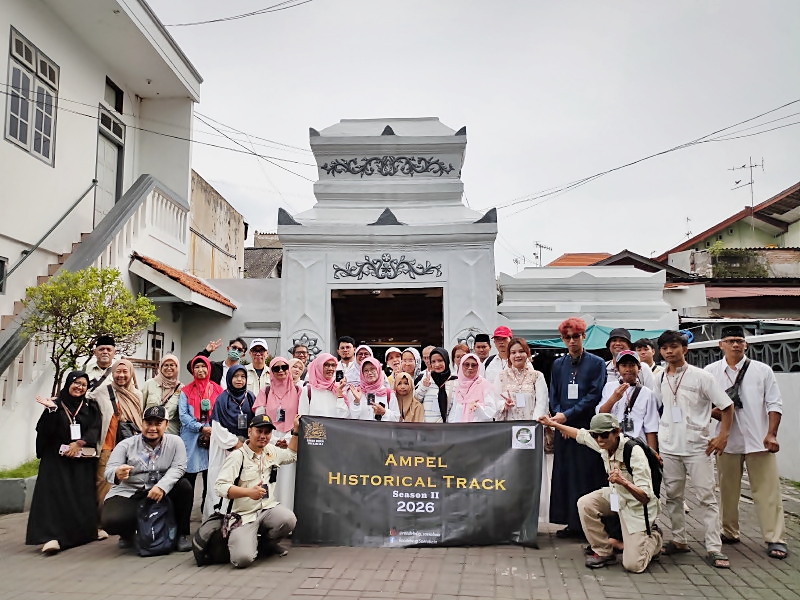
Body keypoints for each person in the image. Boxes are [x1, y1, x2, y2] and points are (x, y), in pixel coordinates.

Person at [540, 413, 662, 573]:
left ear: (617, 432)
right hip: (616, 496)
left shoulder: (633, 452)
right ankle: (604, 551)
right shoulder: (604, 443)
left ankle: (654, 537)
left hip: (637, 507)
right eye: (595, 435)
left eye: (604, 435)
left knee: (634, 565)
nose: (599, 440)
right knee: (585, 503)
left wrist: (623, 482)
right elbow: (579, 435)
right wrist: (553, 424)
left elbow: (645, 496)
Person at [705, 325, 787, 559]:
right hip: (726, 441)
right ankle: (729, 532)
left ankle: (775, 538)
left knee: (768, 491)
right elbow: (703, 405)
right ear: (720, 344)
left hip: (759, 440)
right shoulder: (711, 372)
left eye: (739, 340)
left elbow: (774, 404)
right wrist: (717, 416)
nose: (735, 345)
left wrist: (771, 434)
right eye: (730, 341)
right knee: (727, 490)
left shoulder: (762, 371)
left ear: (746, 344)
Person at [654, 330, 733, 569]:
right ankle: (679, 539)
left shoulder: (702, 377)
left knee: (706, 498)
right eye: (665, 347)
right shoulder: (659, 377)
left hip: (698, 447)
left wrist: (722, 436)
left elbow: (727, 407)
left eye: (674, 346)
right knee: (673, 497)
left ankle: (714, 547)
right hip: (669, 447)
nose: (669, 351)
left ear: (684, 349)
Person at [27, 371, 101, 555]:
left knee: (80, 496)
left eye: (83, 384)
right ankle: (51, 537)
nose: (79, 387)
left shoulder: (90, 405)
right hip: (56, 459)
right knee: (54, 497)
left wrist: (79, 443)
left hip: (80, 459)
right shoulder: (56, 404)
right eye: (75, 383)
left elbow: (95, 427)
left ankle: (83, 533)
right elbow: (44, 431)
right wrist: (51, 411)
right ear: (68, 383)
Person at [101, 406, 192, 552]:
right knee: (110, 520)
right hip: (131, 491)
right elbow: (108, 471)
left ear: (166, 425)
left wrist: (162, 486)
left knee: (184, 487)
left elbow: (179, 468)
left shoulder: (176, 442)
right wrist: (117, 473)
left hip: (161, 490)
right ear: (141, 424)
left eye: (158, 423)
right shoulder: (125, 445)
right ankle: (127, 534)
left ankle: (181, 535)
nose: (152, 428)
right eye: (148, 423)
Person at [548, 317, 608, 538]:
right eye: (567, 338)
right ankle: (570, 523)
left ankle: (586, 524)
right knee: (565, 474)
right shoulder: (558, 364)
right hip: (562, 427)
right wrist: (557, 417)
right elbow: (554, 393)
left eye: (575, 337)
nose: (571, 341)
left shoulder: (596, 363)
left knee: (585, 475)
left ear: (583, 336)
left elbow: (594, 395)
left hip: (584, 427)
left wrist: (567, 416)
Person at [214, 414, 299, 568]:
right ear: (249, 432)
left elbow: (291, 456)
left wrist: (296, 432)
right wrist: (248, 493)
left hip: (266, 509)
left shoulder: (271, 451)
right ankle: (242, 542)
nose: (263, 436)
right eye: (258, 431)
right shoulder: (237, 456)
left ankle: (265, 544)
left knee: (288, 519)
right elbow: (220, 487)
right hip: (243, 516)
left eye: (267, 432)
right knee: (242, 559)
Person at [495, 338, 551, 522]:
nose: (517, 355)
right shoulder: (501, 376)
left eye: (521, 351)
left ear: (527, 353)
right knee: (511, 472)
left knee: (531, 473)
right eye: (513, 352)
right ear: (508, 356)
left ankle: (531, 516)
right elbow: (495, 402)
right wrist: (504, 404)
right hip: (508, 431)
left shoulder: (537, 376)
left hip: (531, 433)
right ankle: (511, 515)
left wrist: (532, 426)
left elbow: (542, 402)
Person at [87, 358, 143, 508]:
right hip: (108, 447)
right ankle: (99, 524)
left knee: (128, 485)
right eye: (118, 371)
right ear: (113, 372)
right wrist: (57, 401)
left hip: (131, 447)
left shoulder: (137, 394)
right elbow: (82, 398)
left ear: (131, 373)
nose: (121, 375)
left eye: (125, 371)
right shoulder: (102, 391)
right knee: (103, 485)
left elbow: (139, 419)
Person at [205, 365, 256, 517]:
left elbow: (255, 421)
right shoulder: (222, 398)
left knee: (243, 482)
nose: (239, 380)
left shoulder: (251, 397)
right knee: (221, 481)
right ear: (229, 378)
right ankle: (217, 519)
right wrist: (235, 443)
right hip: (224, 448)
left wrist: (248, 442)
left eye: (243, 376)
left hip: (246, 448)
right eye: (236, 376)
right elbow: (217, 427)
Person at [252, 357, 301, 511]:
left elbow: (301, 418)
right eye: (276, 368)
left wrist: (287, 439)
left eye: (284, 367)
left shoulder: (299, 390)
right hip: (268, 441)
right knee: (268, 480)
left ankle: (286, 518)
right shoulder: (265, 391)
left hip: (290, 442)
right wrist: (273, 439)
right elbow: (259, 419)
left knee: (287, 481)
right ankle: (266, 517)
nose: (280, 371)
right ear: (271, 372)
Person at [179, 355, 222, 515]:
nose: (200, 370)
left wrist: (211, 429)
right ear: (192, 370)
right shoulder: (186, 391)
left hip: (212, 439)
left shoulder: (217, 390)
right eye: (196, 367)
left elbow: (220, 413)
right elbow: (183, 415)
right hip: (191, 440)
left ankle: (207, 517)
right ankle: (184, 524)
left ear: (209, 368)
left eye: (203, 366)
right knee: (188, 482)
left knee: (210, 482)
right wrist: (200, 428)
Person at [597, 351, 660, 450]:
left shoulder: (647, 393)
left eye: (632, 365)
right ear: (617, 368)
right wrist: (614, 398)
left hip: (637, 446)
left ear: (639, 368)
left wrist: (653, 453)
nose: (628, 369)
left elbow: (651, 428)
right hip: (613, 444)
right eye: (624, 365)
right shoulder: (609, 387)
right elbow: (601, 414)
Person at [342, 357, 400, 421]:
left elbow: (396, 418)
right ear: (362, 373)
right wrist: (356, 401)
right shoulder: (356, 392)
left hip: (381, 430)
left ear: (378, 370)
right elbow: (352, 418)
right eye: (366, 370)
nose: (369, 373)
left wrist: (384, 412)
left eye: (372, 369)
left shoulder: (388, 393)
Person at [447, 354, 498, 422]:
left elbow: (491, 411)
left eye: (473, 365)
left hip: (479, 429)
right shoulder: (459, 385)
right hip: (460, 429)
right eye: (466, 365)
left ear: (478, 367)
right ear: (461, 366)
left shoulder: (484, 385)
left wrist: (478, 408)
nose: (470, 368)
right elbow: (454, 411)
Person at [141, 354, 182, 435]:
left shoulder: (181, 388)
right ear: (161, 367)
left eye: (172, 365)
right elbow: (140, 408)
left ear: (177, 367)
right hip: (150, 432)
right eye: (166, 365)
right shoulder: (149, 384)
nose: (169, 368)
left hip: (170, 433)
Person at [299, 353, 349, 417]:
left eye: (333, 365)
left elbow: (343, 416)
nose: (330, 368)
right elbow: (303, 417)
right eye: (326, 365)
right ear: (318, 367)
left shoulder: (337, 388)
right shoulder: (308, 390)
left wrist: (340, 395)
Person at [414, 347, 456, 423]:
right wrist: (424, 386)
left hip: (447, 427)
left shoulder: (454, 380)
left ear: (446, 361)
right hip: (428, 427)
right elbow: (416, 399)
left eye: (440, 360)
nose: (437, 364)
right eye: (433, 361)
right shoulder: (426, 378)